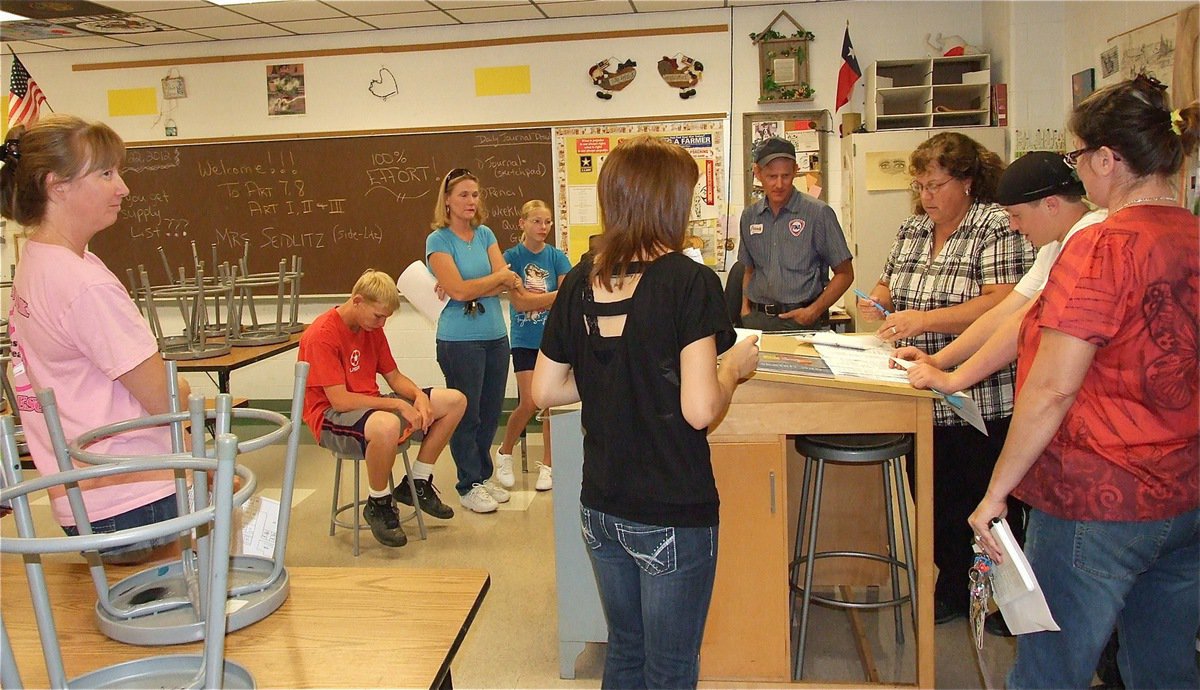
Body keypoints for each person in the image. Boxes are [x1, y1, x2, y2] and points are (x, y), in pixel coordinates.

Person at [968, 76, 1199, 690]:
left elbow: (1051, 389)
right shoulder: (1193, 236)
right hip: (1185, 493)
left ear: (1106, 159)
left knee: (1051, 670)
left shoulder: (1101, 245)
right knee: (1165, 666)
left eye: (1078, 159)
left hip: (1097, 498)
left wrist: (998, 493)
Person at [532, 135, 760, 690]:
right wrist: (734, 368)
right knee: (670, 666)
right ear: (668, 202)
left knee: (627, 653)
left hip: (601, 507)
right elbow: (701, 408)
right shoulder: (689, 281)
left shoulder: (581, 279)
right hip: (670, 509)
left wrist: (617, 383)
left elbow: (545, 390)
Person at [894, 150, 1107, 637]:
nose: (1013, 228)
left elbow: (1015, 329)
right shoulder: (1059, 245)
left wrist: (952, 377)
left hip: (1090, 433)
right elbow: (1010, 313)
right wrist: (941, 363)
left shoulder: (1091, 242)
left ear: (1050, 204)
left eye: (1016, 216)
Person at [857, 131, 1035, 624]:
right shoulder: (914, 229)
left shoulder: (996, 225)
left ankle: (1003, 601)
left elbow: (1003, 302)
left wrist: (925, 320)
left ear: (967, 182)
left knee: (978, 495)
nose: (926, 196)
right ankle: (953, 586)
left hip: (981, 392)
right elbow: (888, 283)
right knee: (933, 498)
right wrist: (876, 302)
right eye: (919, 186)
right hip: (920, 388)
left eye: (935, 185)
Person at [1, 115, 189, 565]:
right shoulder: (83, 284)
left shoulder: (38, 261)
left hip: (84, 498)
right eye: (105, 174)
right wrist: (182, 397)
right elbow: (166, 397)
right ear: (57, 186)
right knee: (237, 514)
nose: (122, 188)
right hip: (135, 496)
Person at [299, 269, 464, 547]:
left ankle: (417, 483)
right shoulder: (322, 335)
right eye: (378, 316)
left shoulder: (371, 328)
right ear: (357, 301)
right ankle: (379, 502)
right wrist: (397, 405)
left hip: (368, 405)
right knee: (386, 424)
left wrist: (416, 396)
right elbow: (340, 400)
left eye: (387, 317)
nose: (382, 323)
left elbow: (394, 377)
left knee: (455, 401)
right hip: (331, 416)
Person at [427, 168, 522, 513]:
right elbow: (459, 289)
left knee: (489, 411)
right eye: (463, 195)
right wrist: (491, 280)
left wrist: (487, 282)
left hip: (496, 335)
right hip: (459, 341)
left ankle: (482, 476)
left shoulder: (485, 234)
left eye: (475, 195)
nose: (471, 201)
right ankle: (468, 484)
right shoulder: (438, 240)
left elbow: (507, 281)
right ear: (448, 201)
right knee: (466, 415)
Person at [738, 136, 853, 331]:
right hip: (757, 321)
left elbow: (845, 274)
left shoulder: (818, 214)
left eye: (786, 175)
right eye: (772, 176)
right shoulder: (750, 216)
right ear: (757, 173)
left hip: (801, 321)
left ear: (796, 172)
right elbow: (750, 269)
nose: (780, 184)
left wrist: (813, 312)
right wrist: (745, 310)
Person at [495, 200, 571, 491]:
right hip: (525, 340)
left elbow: (563, 296)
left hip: (552, 340)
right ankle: (504, 452)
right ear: (522, 223)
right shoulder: (510, 257)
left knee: (550, 402)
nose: (543, 228)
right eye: (537, 221)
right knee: (529, 402)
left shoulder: (556, 256)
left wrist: (537, 298)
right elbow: (520, 302)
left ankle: (549, 466)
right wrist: (554, 295)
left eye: (548, 222)